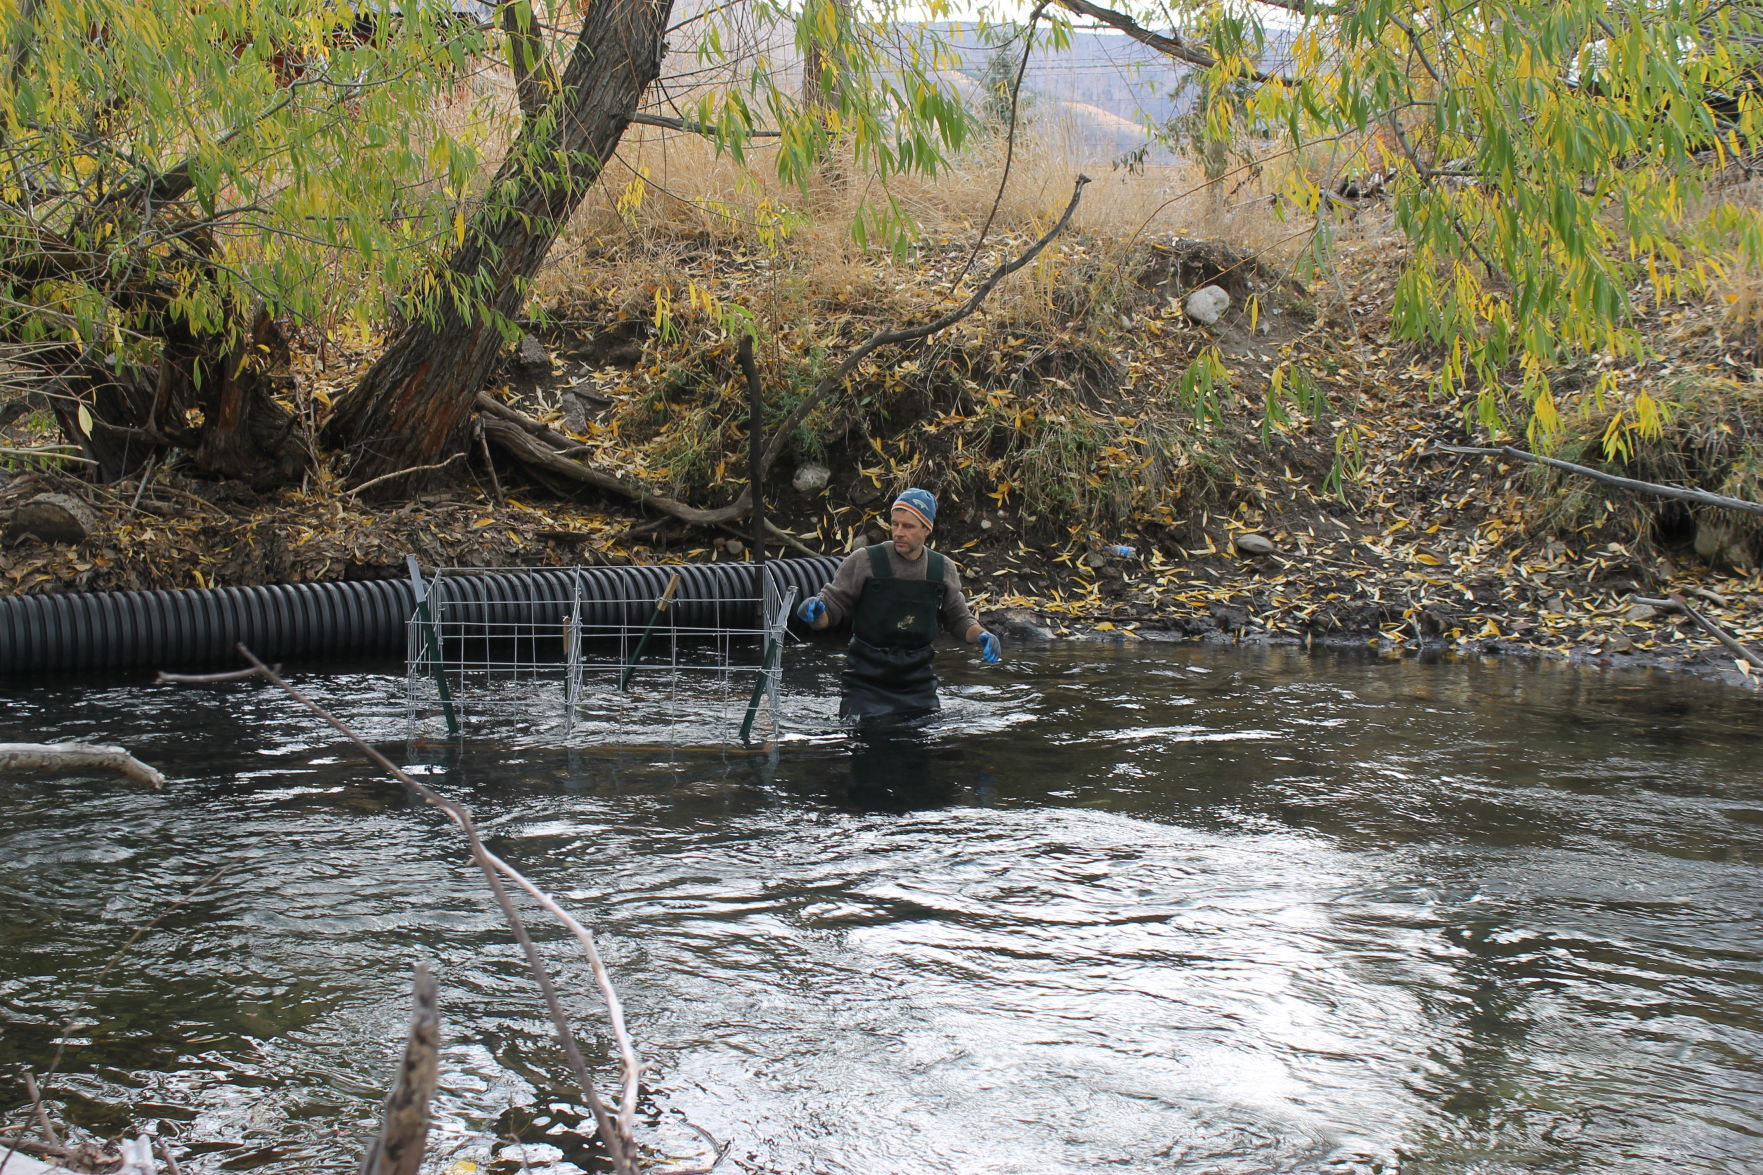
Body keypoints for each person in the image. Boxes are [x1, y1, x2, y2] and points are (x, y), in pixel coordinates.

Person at [797, 487, 1001, 719]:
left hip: (918, 684)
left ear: (927, 529)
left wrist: (983, 635)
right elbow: (830, 610)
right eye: (895, 524)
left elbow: (960, 619)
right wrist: (815, 614)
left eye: (908, 526)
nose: (898, 532)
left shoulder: (941, 569)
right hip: (865, 684)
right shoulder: (865, 560)